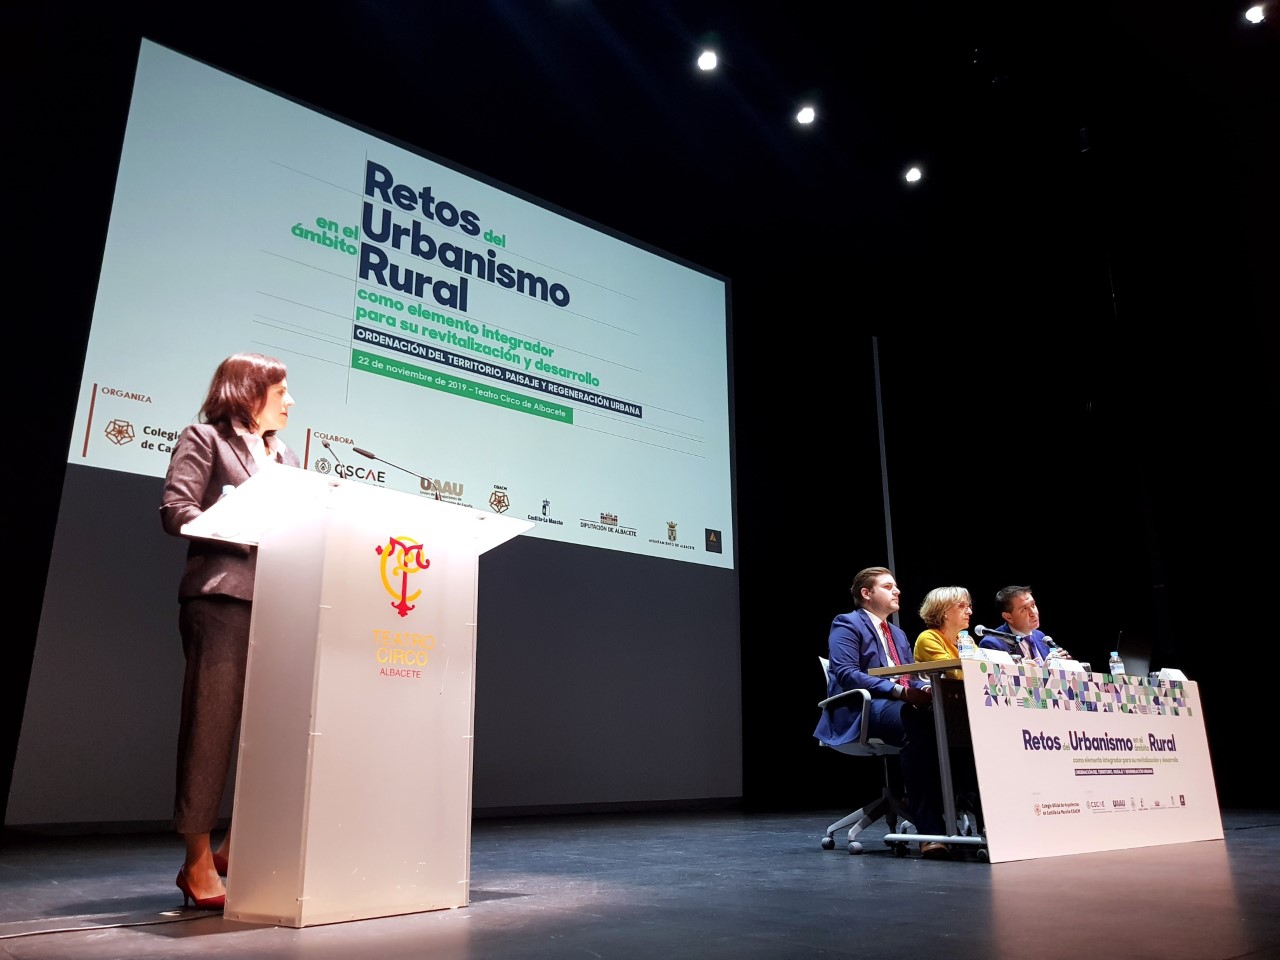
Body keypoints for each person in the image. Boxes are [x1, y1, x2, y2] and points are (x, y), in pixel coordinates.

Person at [159, 353, 298, 909]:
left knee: (273, 732)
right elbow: (176, 510)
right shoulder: (206, 440)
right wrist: (238, 519)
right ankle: (196, 861)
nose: (290, 403)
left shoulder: (286, 457)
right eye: (281, 392)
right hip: (222, 599)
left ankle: (235, 848)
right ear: (248, 391)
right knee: (211, 728)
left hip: (282, 603)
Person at [813, 567, 950, 859]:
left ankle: (955, 818)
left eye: (895, 586)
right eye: (888, 587)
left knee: (945, 720)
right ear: (866, 593)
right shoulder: (847, 623)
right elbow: (847, 673)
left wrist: (924, 688)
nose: (897, 591)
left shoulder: (897, 634)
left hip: (897, 705)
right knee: (915, 721)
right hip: (862, 707)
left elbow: (909, 676)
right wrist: (899, 691)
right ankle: (930, 831)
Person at [978, 585, 1067, 665]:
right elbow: (999, 677)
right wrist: (1045, 671)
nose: (1033, 613)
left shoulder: (1040, 636)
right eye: (1024, 609)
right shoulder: (992, 644)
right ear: (1008, 617)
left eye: (1033, 605)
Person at [913, 586, 973, 676]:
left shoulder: (965, 639)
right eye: (962, 606)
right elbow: (952, 674)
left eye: (969, 606)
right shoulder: (929, 638)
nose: (969, 612)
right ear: (944, 612)